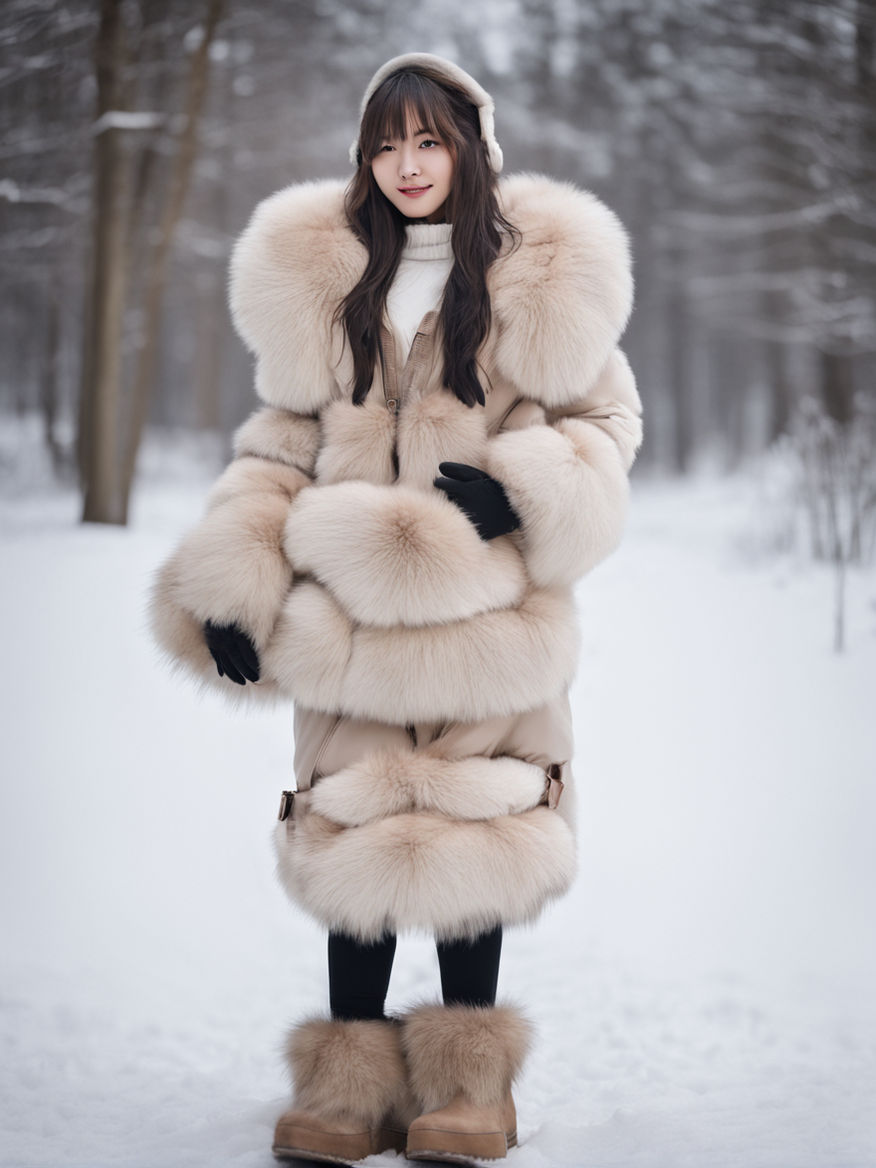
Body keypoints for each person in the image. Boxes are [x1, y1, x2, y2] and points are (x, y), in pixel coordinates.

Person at [150, 52, 642, 1165]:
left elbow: (608, 429)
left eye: (430, 140)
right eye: (387, 142)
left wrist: (525, 487)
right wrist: (231, 583)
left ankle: (474, 1090)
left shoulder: (544, 281)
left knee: (482, 821)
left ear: (472, 144)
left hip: (490, 623)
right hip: (352, 623)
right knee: (349, 824)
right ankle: (348, 1085)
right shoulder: (326, 283)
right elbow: (279, 445)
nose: (408, 164)